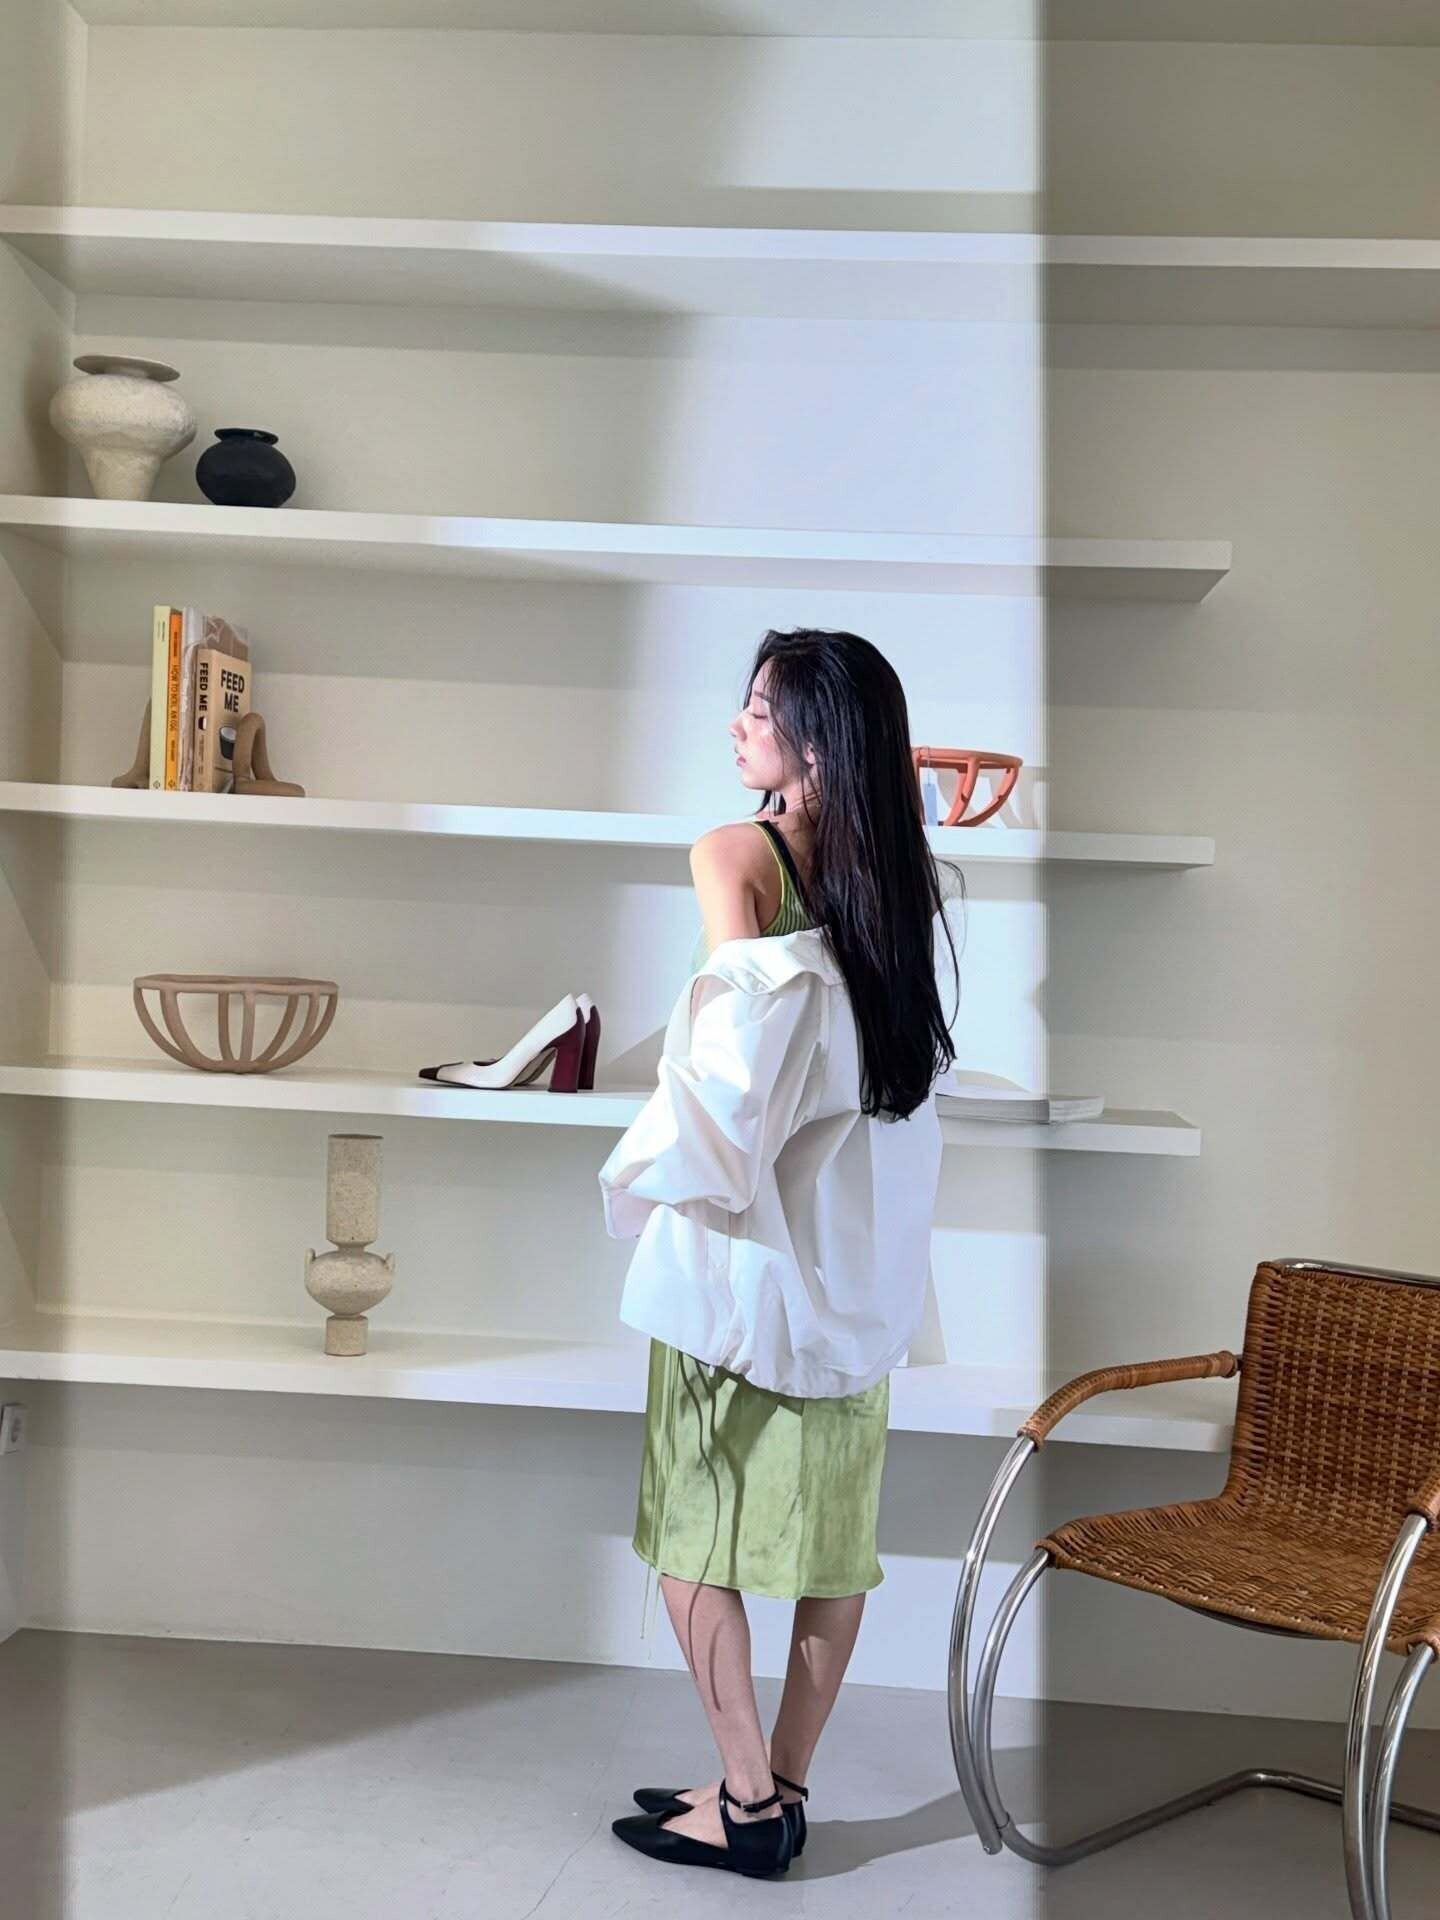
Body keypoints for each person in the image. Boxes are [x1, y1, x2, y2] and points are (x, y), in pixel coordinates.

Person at [597, 626, 963, 1879]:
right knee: (830, 1549)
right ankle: (784, 1785)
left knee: (690, 1538)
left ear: (816, 743)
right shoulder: (903, 882)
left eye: (761, 710)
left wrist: (640, 1178)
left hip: (746, 1275)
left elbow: (728, 1078)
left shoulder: (734, 854)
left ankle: (747, 1806)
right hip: (856, 1280)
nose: (738, 726)